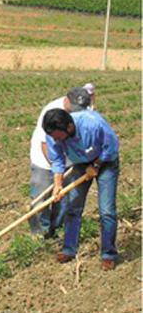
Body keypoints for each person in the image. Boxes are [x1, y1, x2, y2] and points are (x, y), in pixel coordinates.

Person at [42, 108, 119, 271]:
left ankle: (108, 254)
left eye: (57, 137)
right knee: (73, 207)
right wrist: (57, 185)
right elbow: (57, 160)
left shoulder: (93, 124)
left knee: (106, 211)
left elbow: (111, 147)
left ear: (69, 128)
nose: (55, 140)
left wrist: (96, 165)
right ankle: (68, 250)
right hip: (81, 163)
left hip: (106, 163)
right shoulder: (52, 136)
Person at [28, 87, 92, 238]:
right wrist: (57, 170)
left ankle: (56, 230)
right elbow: (45, 144)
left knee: (62, 198)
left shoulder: (83, 110)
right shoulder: (52, 112)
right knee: (40, 197)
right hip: (44, 160)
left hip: (69, 158)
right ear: (66, 100)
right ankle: (40, 232)